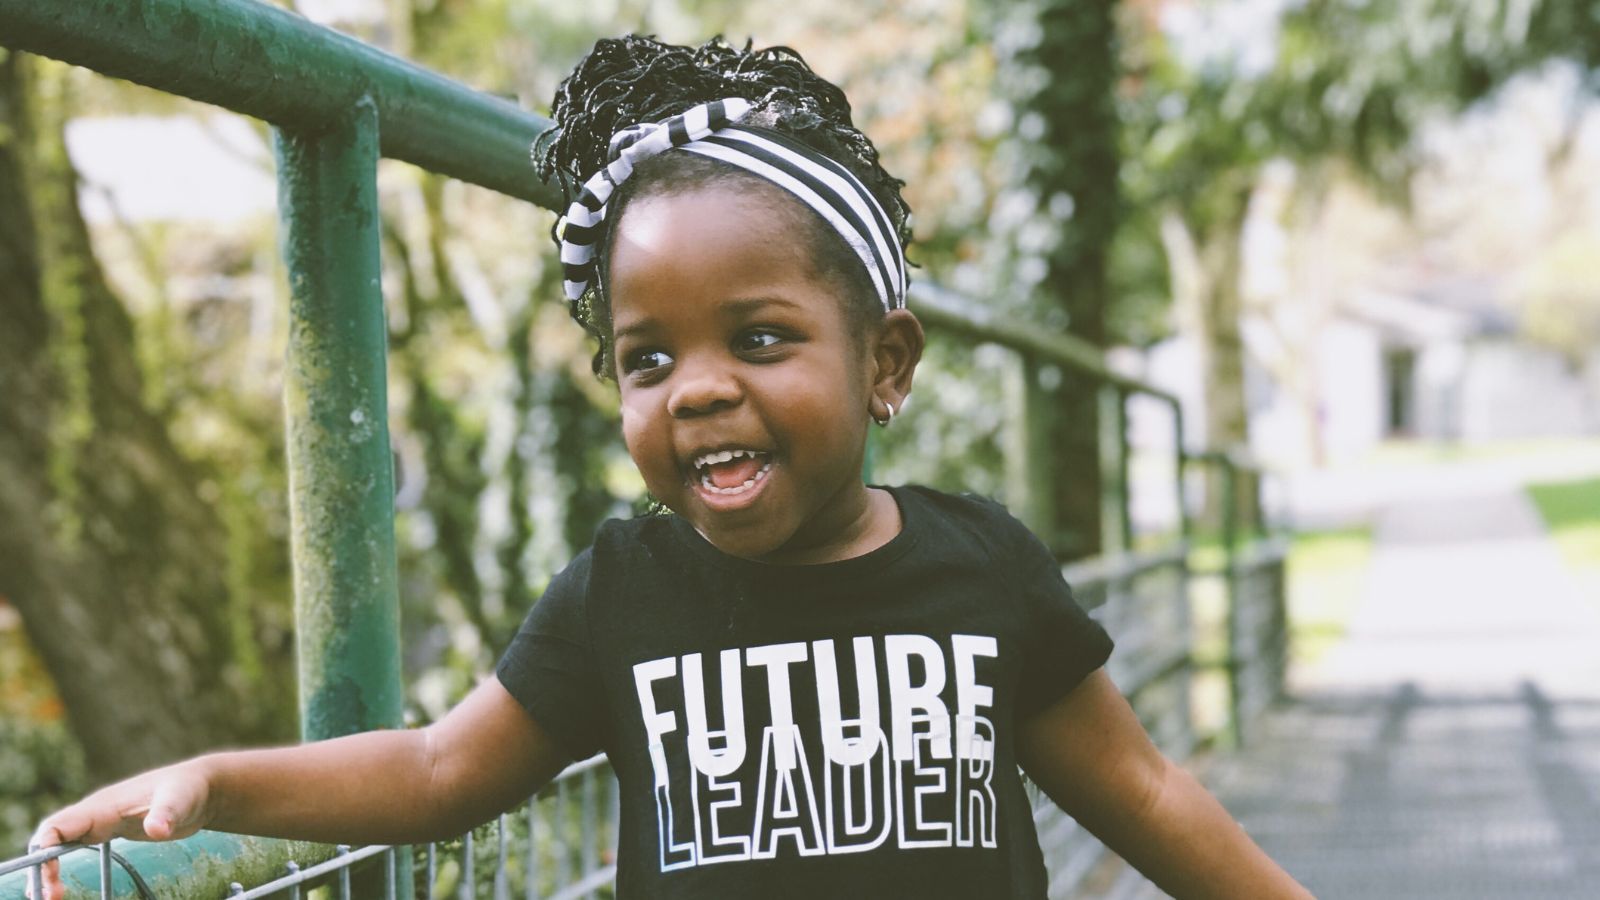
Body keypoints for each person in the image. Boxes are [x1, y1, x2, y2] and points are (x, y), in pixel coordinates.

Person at [30, 35, 1310, 899]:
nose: (696, 386)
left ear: (885, 363)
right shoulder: (620, 591)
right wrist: (213, 783)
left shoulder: (981, 567)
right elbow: (434, 772)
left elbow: (1141, 786)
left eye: (758, 339)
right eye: (647, 360)